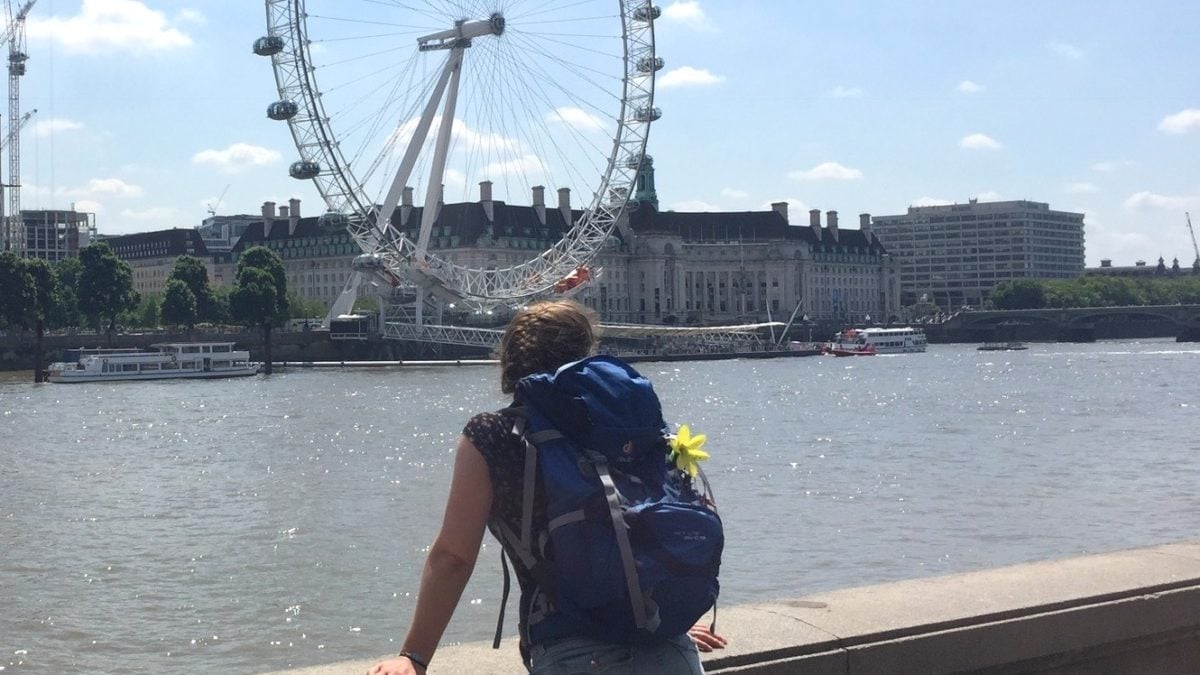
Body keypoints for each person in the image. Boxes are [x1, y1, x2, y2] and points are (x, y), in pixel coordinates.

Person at [369, 300, 725, 675]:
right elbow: (644, 521)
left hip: (575, 654)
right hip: (671, 651)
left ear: (509, 360)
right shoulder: (629, 426)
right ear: (587, 355)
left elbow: (453, 558)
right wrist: (664, 617)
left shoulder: (495, 435)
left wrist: (414, 656)